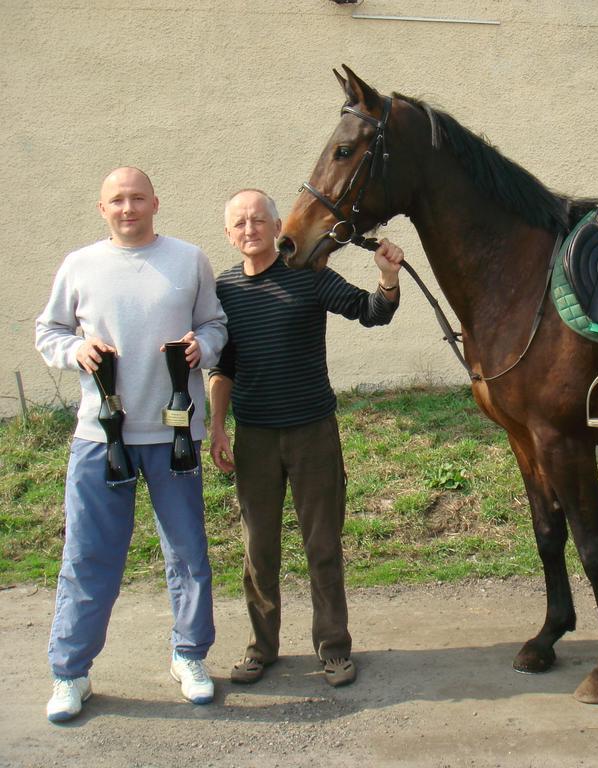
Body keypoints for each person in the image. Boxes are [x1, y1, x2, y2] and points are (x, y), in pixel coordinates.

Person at [35, 167, 228, 722]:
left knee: (188, 552)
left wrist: (202, 346)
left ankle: (189, 656)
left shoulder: (189, 259)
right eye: (117, 200)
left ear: (155, 203)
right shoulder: (79, 265)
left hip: (174, 438)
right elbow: (49, 333)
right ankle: (70, 673)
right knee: (88, 556)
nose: (128, 208)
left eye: (137, 198)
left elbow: (216, 326)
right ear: (102, 208)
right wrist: (77, 351)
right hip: (101, 437)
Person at [209, 189, 402, 687]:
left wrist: (386, 278)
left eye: (258, 220)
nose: (249, 229)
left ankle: (334, 648)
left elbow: (369, 311)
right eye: (239, 223)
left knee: (322, 545)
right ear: (228, 234)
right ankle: (261, 648)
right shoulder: (222, 290)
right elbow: (223, 367)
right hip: (254, 437)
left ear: (278, 227)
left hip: (312, 431)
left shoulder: (308, 274)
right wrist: (215, 427)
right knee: (259, 549)